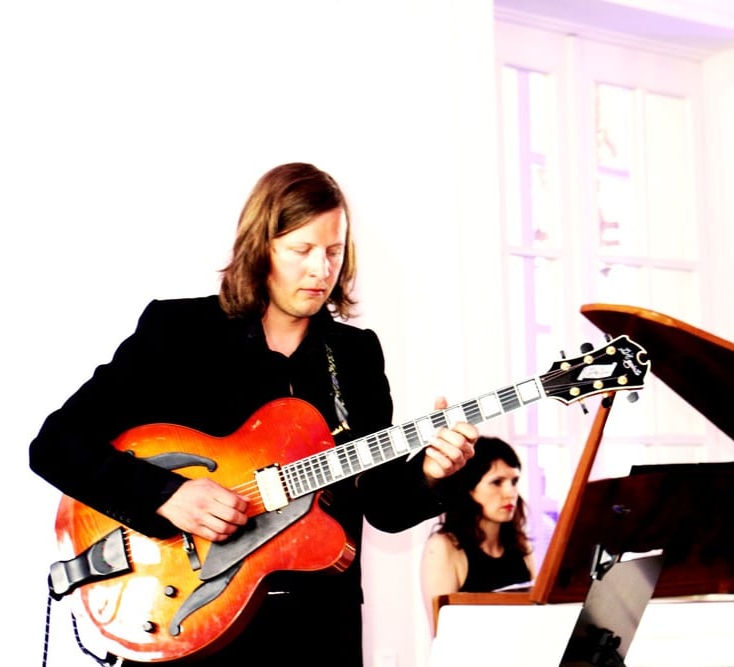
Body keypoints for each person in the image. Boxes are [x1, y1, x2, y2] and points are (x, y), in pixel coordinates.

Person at [29, 162, 478, 667]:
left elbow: (384, 506)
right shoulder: (179, 333)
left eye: (333, 251)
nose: (321, 270)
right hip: (191, 628)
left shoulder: (354, 355)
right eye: (302, 250)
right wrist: (168, 495)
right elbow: (56, 445)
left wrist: (431, 471)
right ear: (261, 247)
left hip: (318, 631)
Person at [420, 436, 535, 634]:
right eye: (497, 482)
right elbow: (443, 636)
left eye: (514, 481)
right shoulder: (443, 546)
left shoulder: (520, 543)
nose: (511, 493)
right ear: (469, 488)